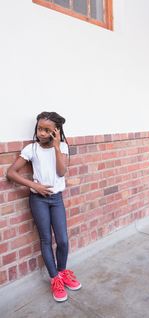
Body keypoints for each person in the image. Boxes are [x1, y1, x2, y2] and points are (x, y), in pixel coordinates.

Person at [7, 111, 82, 302]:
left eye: (47, 130)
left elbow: (61, 171)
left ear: (56, 131)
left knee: (63, 240)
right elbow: (11, 172)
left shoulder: (63, 147)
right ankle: (55, 279)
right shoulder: (31, 149)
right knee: (46, 239)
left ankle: (63, 272)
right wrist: (34, 186)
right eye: (40, 128)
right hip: (38, 200)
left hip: (56, 200)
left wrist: (57, 147)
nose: (41, 133)